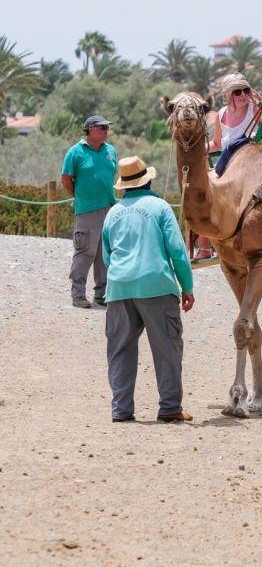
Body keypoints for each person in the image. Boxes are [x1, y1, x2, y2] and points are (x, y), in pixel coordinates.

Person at [102, 155, 195, 423]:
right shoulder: (161, 207)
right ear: (148, 179)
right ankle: (169, 408)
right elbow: (177, 252)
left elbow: (107, 256)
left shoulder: (113, 213)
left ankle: (121, 410)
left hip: (119, 287)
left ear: (124, 185)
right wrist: (186, 286)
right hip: (156, 285)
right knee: (167, 348)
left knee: (120, 349)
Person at [193, 72, 262, 260]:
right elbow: (216, 143)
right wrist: (197, 150)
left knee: (212, 183)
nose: (242, 96)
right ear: (228, 95)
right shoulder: (221, 115)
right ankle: (205, 246)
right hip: (226, 163)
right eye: (237, 92)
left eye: (245, 90)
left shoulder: (255, 109)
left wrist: (258, 101)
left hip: (249, 164)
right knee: (202, 187)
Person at [61, 115, 117, 308]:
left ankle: (101, 295)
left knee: (104, 254)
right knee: (85, 251)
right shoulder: (75, 152)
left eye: (106, 128)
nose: (106, 131)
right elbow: (66, 179)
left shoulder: (111, 151)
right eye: (102, 128)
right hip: (87, 210)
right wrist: (80, 197)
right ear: (90, 129)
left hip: (109, 209)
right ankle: (78, 295)